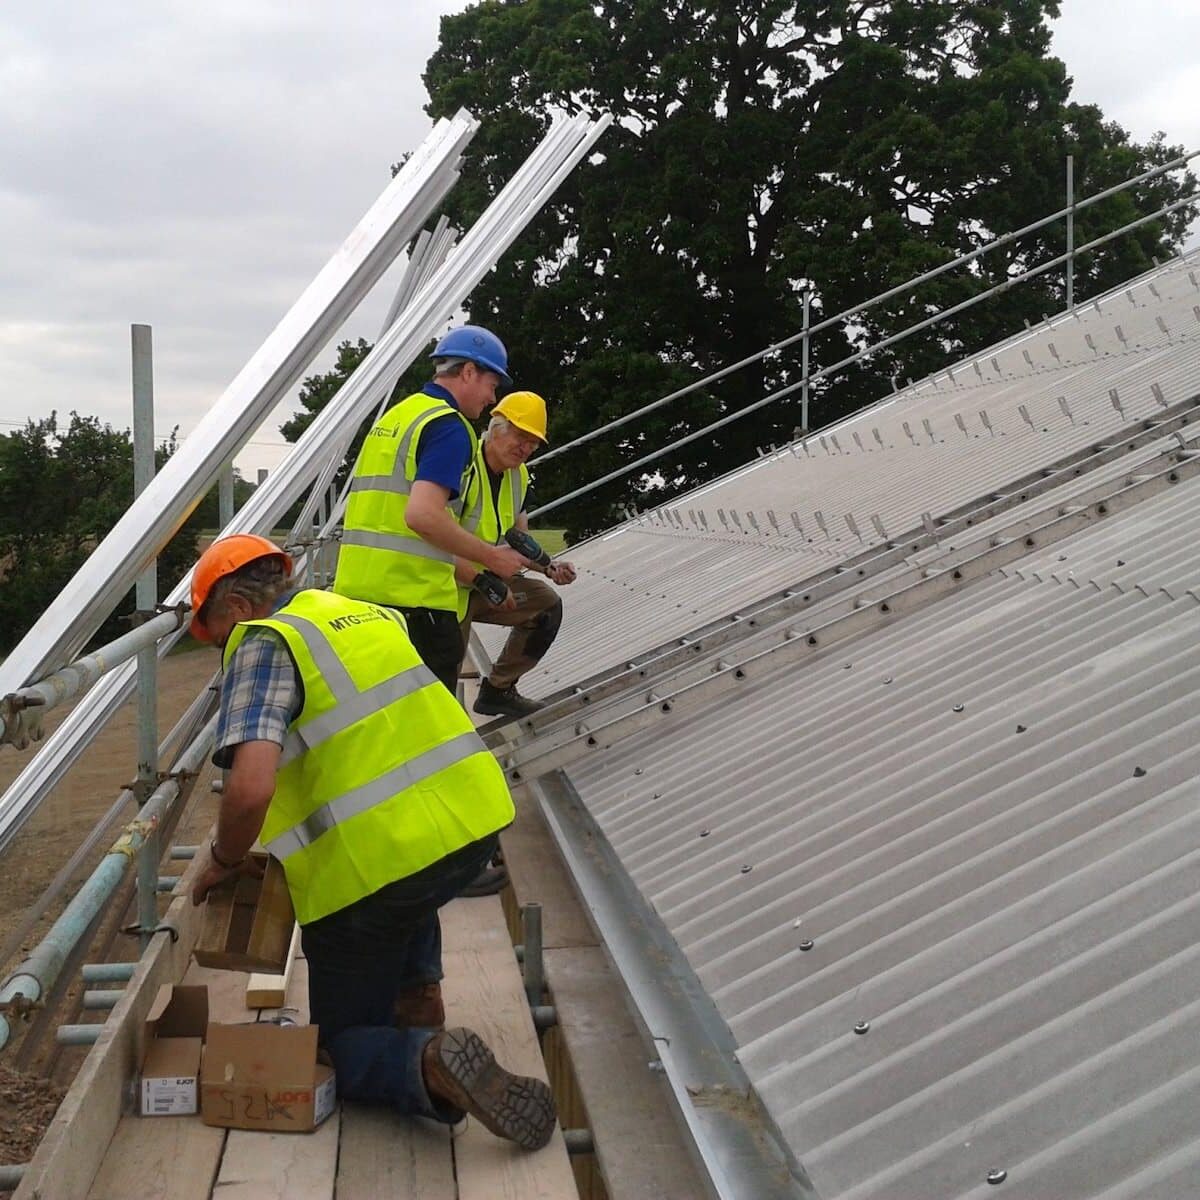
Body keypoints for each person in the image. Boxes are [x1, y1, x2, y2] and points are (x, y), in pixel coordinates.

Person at [189, 534, 557, 1151]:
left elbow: (249, 789)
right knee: (407, 883)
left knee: (339, 1042)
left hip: (379, 865)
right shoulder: (354, 611)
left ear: (230, 610)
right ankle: (418, 997)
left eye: (214, 638)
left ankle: (426, 1061)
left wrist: (225, 860)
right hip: (469, 825)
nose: (222, 651)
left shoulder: (260, 643)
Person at [332, 324, 529, 696]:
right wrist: (492, 558)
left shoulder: (397, 417)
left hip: (359, 600)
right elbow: (422, 515)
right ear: (469, 372)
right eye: (492, 385)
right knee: (428, 737)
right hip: (416, 609)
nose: (492, 398)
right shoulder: (449, 427)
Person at [455, 391, 577, 718]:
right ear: (496, 428)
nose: (525, 448)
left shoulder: (518, 476)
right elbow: (433, 542)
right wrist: (483, 581)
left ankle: (498, 691)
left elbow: (519, 540)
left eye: (533, 443)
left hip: (483, 583)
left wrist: (550, 567)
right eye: (521, 437)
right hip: (444, 586)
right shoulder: (462, 468)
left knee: (546, 605)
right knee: (441, 676)